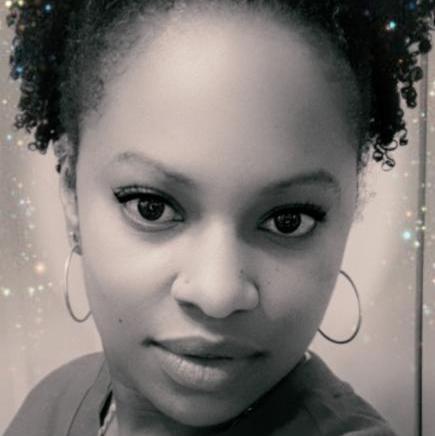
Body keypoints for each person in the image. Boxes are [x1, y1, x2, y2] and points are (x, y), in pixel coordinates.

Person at [4, 0, 434, 435]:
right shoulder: (52, 404)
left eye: (288, 220)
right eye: (152, 207)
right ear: (70, 190)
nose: (218, 294)